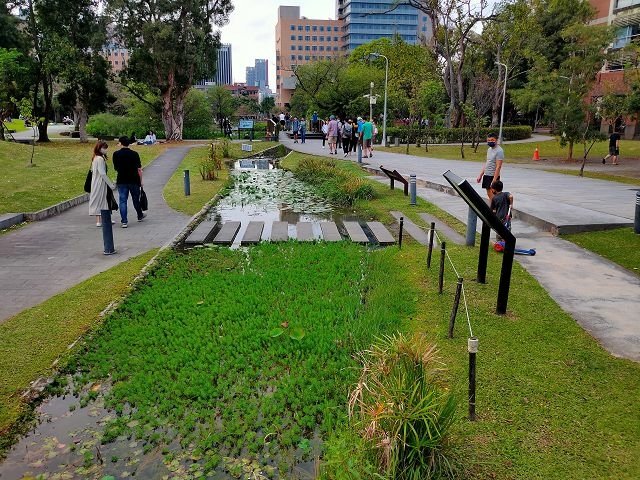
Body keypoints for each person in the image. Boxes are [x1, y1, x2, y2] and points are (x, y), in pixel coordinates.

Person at [113, 136, 145, 228]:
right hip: (134, 179)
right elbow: (139, 169)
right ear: (129, 143)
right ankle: (139, 215)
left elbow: (116, 168)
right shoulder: (134, 154)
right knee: (136, 198)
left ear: (120, 143)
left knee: (123, 200)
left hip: (122, 180)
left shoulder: (116, 154)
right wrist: (141, 180)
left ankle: (124, 221)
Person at [88, 141, 117, 227]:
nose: (106, 150)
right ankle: (102, 220)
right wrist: (111, 184)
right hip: (100, 182)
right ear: (100, 148)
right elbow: (102, 173)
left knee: (101, 199)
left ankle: (101, 220)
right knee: (102, 199)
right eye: (104, 148)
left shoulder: (95, 157)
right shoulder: (100, 159)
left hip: (96, 182)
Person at [476, 132, 504, 201]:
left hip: (493, 175)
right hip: (487, 174)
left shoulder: (499, 151)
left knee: (494, 194)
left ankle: (494, 208)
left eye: (492, 140)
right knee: (489, 193)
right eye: (488, 140)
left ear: (496, 140)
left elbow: (498, 167)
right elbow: (487, 162)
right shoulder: (489, 150)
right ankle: (493, 208)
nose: (490, 142)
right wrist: (481, 175)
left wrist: (494, 180)